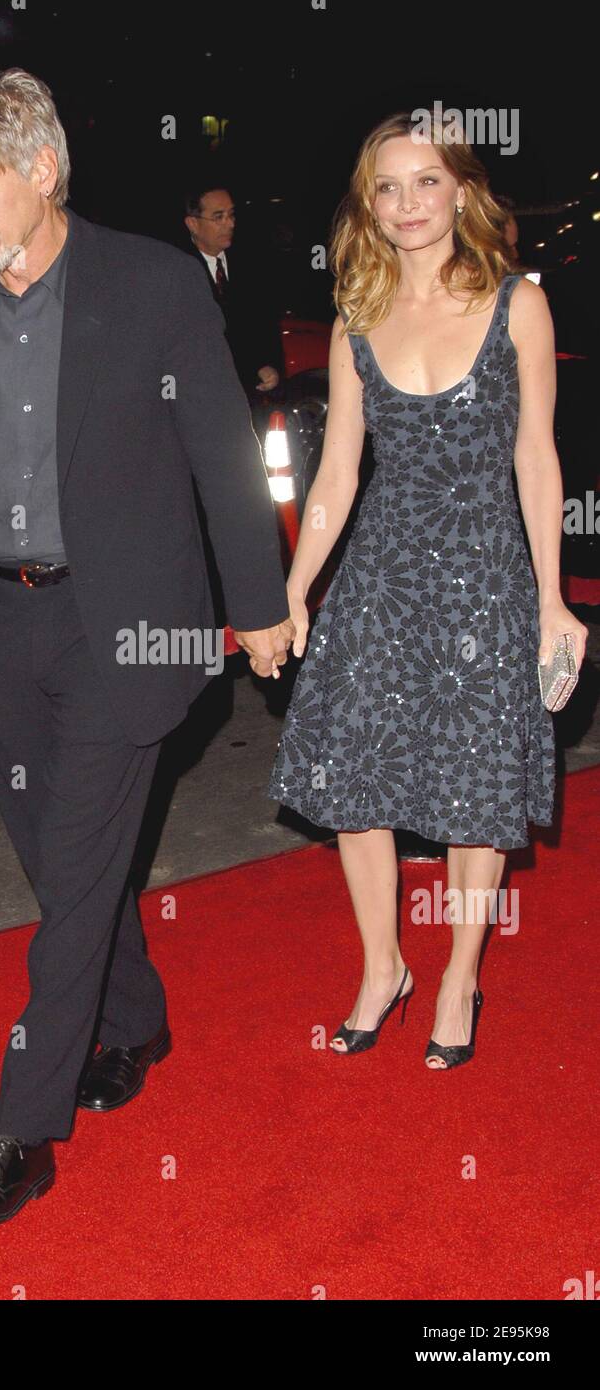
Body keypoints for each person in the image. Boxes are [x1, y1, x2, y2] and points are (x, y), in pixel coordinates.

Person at [0, 68, 294, 1229]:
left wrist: (259, 602)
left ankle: (19, 1133)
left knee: (73, 877)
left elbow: (224, 455)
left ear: (41, 171)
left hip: (127, 624)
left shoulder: (155, 284)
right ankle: (132, 1019)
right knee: (61, 861)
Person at [268, 112, 587, 1070]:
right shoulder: (356, 314)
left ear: (460, 191)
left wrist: (552, 599)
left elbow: (536, 457)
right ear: (368, 205)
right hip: (382, 578)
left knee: (472, 788)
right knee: (352, 777)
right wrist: (293, 590)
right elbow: (335, 477)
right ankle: (381, 967)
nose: (407, 205)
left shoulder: (513, 302)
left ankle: (457, 977)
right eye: (386, 188)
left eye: (425, 183)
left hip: (486, 575)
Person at [184, 183, 283, 397]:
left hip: (250, 395)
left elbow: (265, 323)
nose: (229, 224)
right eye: (218, 217)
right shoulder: (178, 272)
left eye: (231, 215)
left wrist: (270, 366)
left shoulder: (251, 261)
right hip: (200, 393)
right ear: (193, 223)